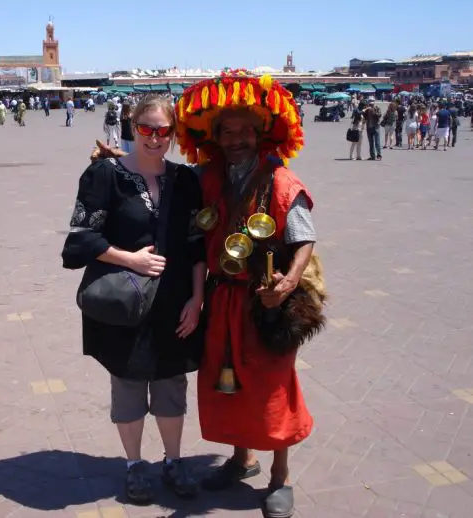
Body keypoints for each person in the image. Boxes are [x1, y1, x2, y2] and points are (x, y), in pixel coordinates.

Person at [89, 72, 326, 518]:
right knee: (229, 379)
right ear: (216, 136)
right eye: (228, 131)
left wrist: (289, 282)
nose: (236, 139)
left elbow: (304, 237)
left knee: (272, 385)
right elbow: (160, 173)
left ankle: (281, 476)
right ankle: (242, 459)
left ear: (260, 134)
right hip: (221, 299)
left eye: (245, 131)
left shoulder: (278, 180)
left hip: (266, 301)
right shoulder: (207, 175)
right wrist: (120, 157)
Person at [62, 95, 206, 505]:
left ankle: (174, 461)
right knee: (127, 384)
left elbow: (198, 245)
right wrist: (131, 259)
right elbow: (81, 239)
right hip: (125, 303)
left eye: (164, 131)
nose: (155, 139)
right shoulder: (104, 175)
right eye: (147, 129)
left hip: (175, 301)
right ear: (133, 127)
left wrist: (197, 299)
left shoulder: (186, 180)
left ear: (173, 134)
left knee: (171, 384)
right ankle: (134, 465)